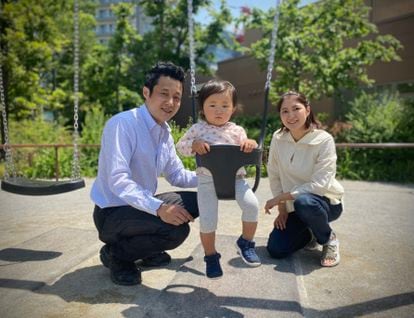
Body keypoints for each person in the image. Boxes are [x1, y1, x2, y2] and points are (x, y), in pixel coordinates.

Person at [91, 62, 199, 286]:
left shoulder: (164, 132)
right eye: (164, 94)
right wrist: (159, 208)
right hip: (112, 213)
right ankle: (118, 255)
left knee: (199, 201)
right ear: (146, 93)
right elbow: (118, 180)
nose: (171, 103)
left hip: (139, 208)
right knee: (176, 231)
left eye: (177, 97)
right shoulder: (123, 124)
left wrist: (212, 177)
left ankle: (145, 247)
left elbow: (177, 175)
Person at [176, 79, 261, 279]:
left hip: (236, 180)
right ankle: (211, 256)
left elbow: (250, 148)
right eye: (212, 105)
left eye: (225, 106)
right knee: (207, 221)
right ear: (203, 108)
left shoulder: (237, 131)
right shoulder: (198, 129)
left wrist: (250, 143)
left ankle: (245, 242)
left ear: (233, 109)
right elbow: (181, 147)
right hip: (207, 182)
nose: (219, 110)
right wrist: (194, 144)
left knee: (252, 205)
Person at [264, 91, 344, 267]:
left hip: (324, 203)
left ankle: (328, 239)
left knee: (305, 202)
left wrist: (280, 199)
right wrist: (283, 209)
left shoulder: (324, 140)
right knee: (276, 249)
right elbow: (274, 173)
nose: (290, 115)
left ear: (307, 110)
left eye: (296, 108)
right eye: (284, 111)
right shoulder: (278, 138)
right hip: (295, 206)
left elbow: (319, 185)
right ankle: (310, 233)